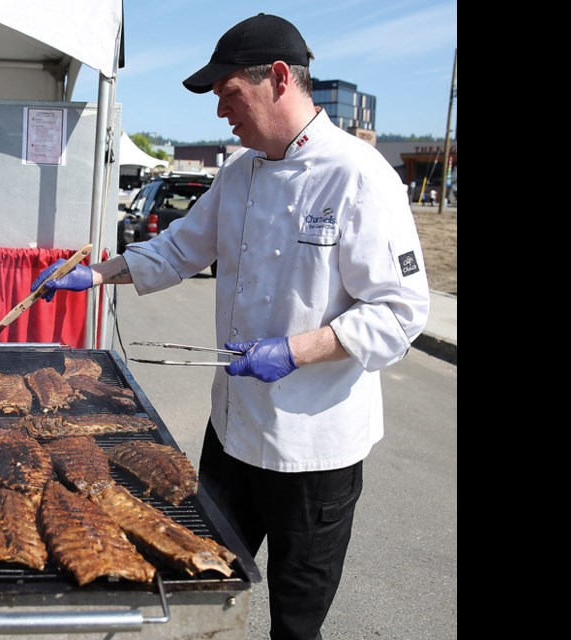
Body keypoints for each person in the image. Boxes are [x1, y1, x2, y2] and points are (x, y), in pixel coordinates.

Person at [27, 14, 430, 640]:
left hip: (314, 449)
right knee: (199, 583)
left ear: (276, 79)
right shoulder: (239, 172)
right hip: (234, 430)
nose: (221, 114)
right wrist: (98, 274)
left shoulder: (359, 175)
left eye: (228, 95)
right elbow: (178, 250)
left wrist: (296, 350)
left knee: (296, 619)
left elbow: (400, 312)